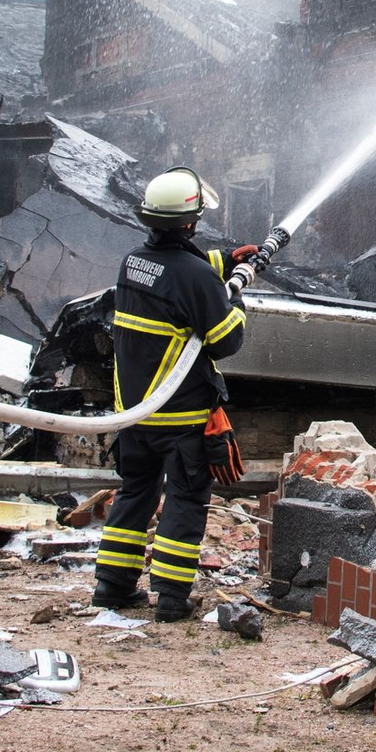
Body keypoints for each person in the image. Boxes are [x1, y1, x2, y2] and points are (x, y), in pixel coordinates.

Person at [92, 167, 252, 623]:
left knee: (135, 494)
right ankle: (171, 599)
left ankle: (112, 587)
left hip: (134, 415)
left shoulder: (132, 263)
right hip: (181, 417)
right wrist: (236, 299)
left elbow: (176, 274)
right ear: (192, 220)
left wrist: (225, 260)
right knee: (185, 501)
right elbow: (225, 341)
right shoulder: (195, 279)